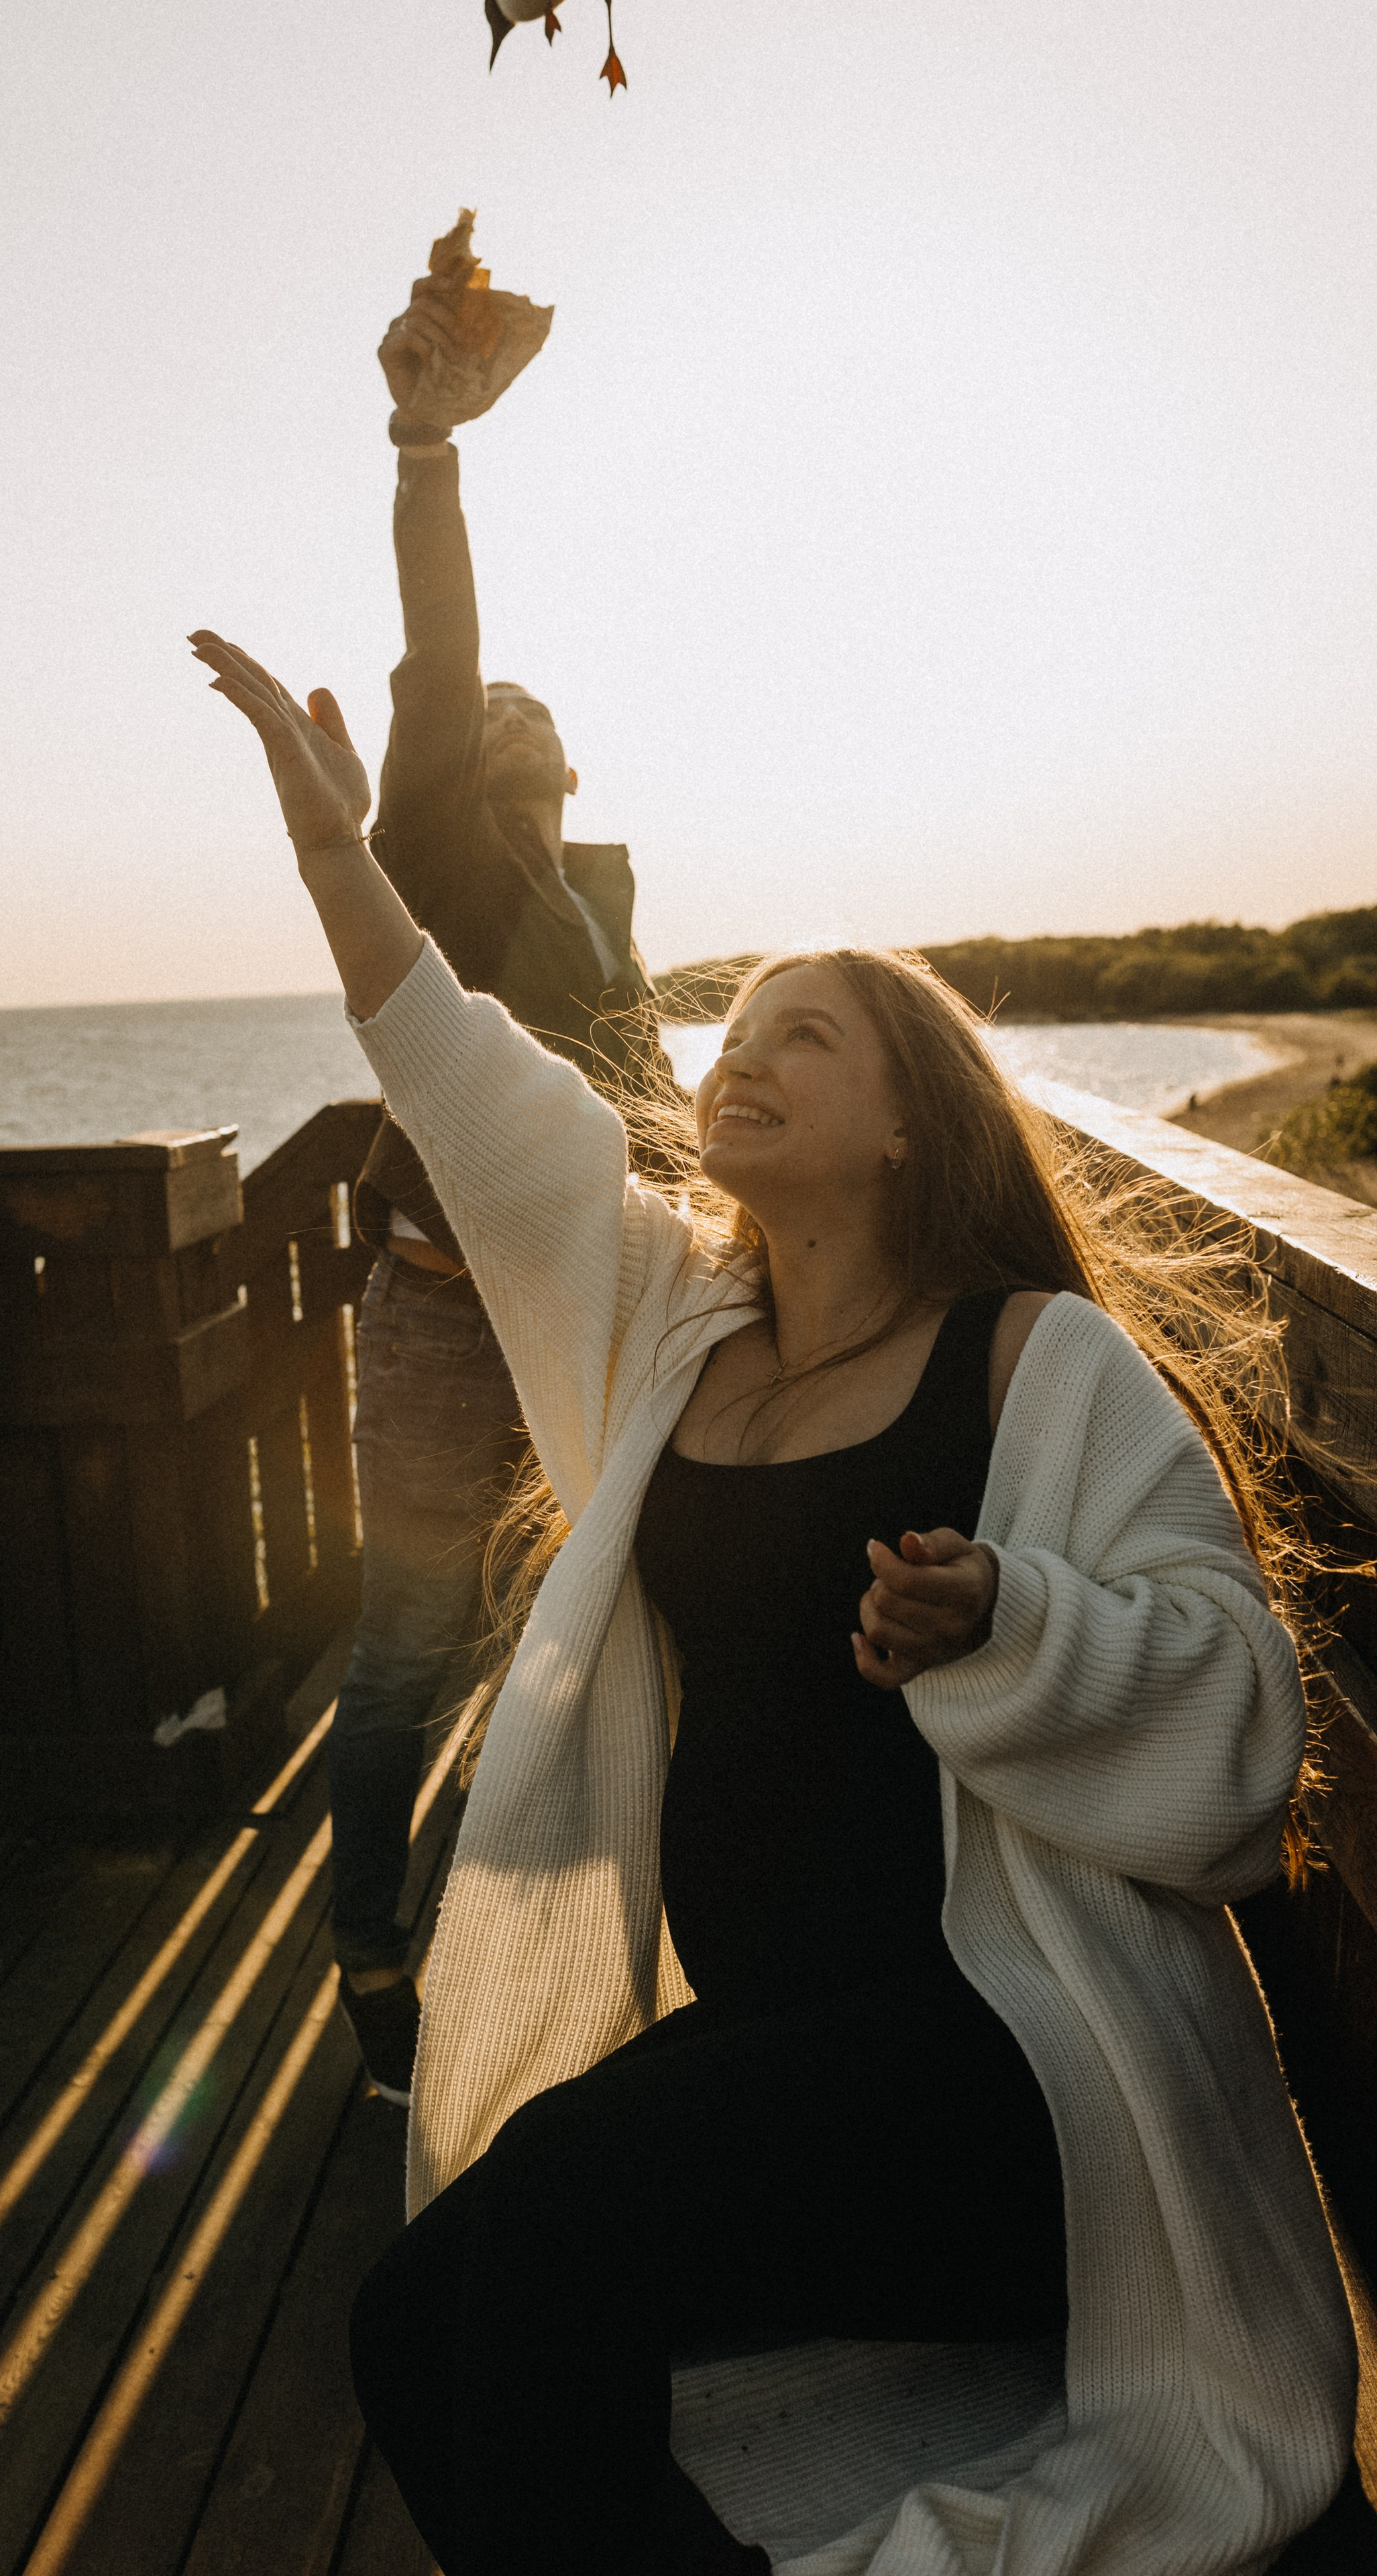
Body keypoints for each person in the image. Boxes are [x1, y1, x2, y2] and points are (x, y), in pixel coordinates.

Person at [184, 630, 1357, 2575]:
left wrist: (1014, 1624)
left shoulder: (1032, 1366)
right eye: (745, 1026)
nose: (745, 1056)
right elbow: (471, 1083)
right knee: (411, 2323)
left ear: (914, 1128)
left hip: (1022, 2071)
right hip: (776, 2045)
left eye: (812, 1035)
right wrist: (333, 852)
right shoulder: (671, 1330)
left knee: (554, 2230)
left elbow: (1243, 1730)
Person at [324, 272, 669, 2104]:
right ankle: (373, 1958)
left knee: (585, 1628)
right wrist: (426, 450)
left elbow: (648, 1101)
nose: (506, 729)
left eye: (533, 727)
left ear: (567, 768)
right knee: (404, 1644)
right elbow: (438, 659)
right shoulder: (438, 851)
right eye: (488, 722)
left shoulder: (594, 908)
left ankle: (557, 1949)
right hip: (445, 1324)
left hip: (591, 1312)